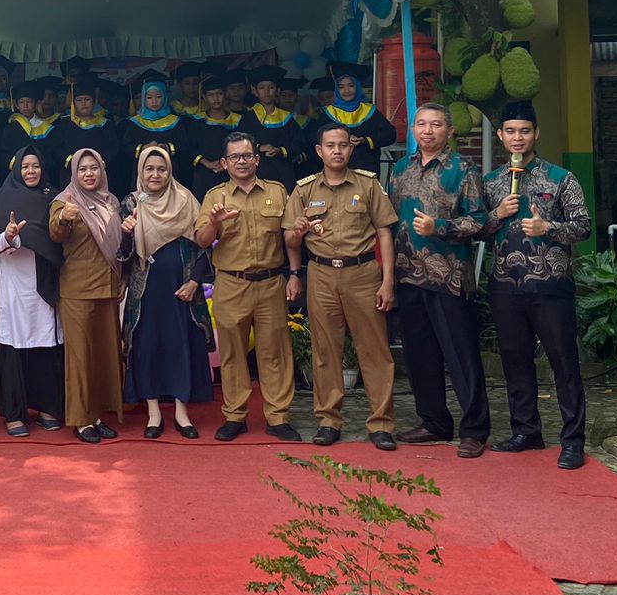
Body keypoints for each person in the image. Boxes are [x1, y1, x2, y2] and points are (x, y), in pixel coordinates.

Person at [484, 101, 593, 470]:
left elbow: (583, 226)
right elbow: (479, 228)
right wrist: (495, 215)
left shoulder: (561, 178)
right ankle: (526, 430)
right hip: (504, 285)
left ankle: (573, 440)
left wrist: (550, 229)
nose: (518, 138)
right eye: (511, 131)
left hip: (551, 286)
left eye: (525, 131)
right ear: (500, 135)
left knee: (564, 363)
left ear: (536, 134)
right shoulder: (492, 182)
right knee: (515, 361)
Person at [286, 121, 399, 449]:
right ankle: (328, 420)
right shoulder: (304, 189)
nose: (337, 151)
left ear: (352, 148)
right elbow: (290, 240)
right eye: (330, 146)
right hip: (320, 274)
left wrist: (387, 281)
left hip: (363, 274)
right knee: (324, 351)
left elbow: (384, 233)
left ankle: (381, 423)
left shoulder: (368, 185)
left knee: (375, 350)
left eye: (343, 145)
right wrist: (298, 230)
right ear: (319, 151)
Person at [388, 103, 492, 458]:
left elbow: (479, 220)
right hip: (408, 274)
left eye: (436, 125)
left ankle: (475, 429)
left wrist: (440, 228)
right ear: (413, 129)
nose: (428, 131)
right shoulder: (402, 169)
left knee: (460, 355)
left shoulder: (463, 169)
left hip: (448, 277)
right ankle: (434, 422)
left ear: (449, 130)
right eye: (421, 124)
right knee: (419, 355)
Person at [193, 131, 300, 443]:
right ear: (225, 163)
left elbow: (290, 237)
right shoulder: (215, 196)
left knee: (275, 352)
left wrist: (294, 274)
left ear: (257, 159)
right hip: (231, 283)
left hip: (270, 283)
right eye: (234, 157)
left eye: (247, 155)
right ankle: (235, 415)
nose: (241, 161)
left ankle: (278, 417)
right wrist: (214, 221)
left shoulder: (278, 192)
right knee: (233, 353)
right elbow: (201, 241)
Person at [121, 145, 214, 438]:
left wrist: (195, 282)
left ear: (170, 171)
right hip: (146, 290)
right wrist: (125, 233)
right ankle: (153, 413)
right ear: (141, 172)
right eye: (149, 169)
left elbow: (204, 246)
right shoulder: (131, 203)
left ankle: (182, 412)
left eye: (161, 169)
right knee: (147, 347)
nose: (155, 174)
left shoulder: (186, 199)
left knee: (179, 345)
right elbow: (123, 256)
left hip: (181, 289)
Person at [0, 145, 66, 436]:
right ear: (17, 169)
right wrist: (9, 236)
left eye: (36, 166)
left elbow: (61, 238)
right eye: (25, 166)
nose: (31, 171)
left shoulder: (54, 197)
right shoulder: (7, 197)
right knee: (15, 346)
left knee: (45, 343)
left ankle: (47, 407)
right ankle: (14, 413)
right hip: (15, 285)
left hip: (45, 283)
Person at [50, 148, 130, 443]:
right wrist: (65, 219)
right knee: (81, 357)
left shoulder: (112, 202)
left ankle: (97, 414)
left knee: (105, 356)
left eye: (93, 168)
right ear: (74, 173)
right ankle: (81, 420)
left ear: (102, 171)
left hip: (108, 286)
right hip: (77, 291)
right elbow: (55, 233)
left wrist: (123, 278)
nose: (88, 174)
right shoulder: (64, 201)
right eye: (82, 169)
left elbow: (119, 246)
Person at [314, 61, 396, 176]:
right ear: (336, 90)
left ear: (357, 87)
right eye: (341, 87)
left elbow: (390, 134)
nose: (346, 91)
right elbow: (315, 138)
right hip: (337, 170)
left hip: (367, 168)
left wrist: (365, 140)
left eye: (351, 86)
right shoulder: (329, 113)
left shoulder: (370, 111)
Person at [241, 65, 307, 191]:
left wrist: (281, 150)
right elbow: (239, 144)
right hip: (257, 171)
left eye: (271, 87)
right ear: (254, 91)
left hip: (283, 172)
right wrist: (259, 147)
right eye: (262, 88)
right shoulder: (248, 118)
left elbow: (299, 143)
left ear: (277, 91)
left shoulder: (286, 118)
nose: (266, 92)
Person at [118, 71, 184, 195]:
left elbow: (185, 146)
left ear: (165, 97)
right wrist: (143, 148)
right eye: (149, 98)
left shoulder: (176, 121)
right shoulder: (134, 122)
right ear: (143, 99)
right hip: (142, 172)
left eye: (158, 97)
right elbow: (125, 148)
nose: (154, 101)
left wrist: (166, 147)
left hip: (170, 172)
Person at [185, 64, 241, 199]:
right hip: (204, 174)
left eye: (219, 94)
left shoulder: (238, 121)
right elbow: (190, 148)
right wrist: (207, 163)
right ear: (204, 97)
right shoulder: (197, 122)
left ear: (225, 94)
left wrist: (226, 163)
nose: (215, 99)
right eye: (211, 95)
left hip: (231, 171)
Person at [61, 75, 121, 178]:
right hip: (72, 172)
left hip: (99, 171)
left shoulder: (105, 124)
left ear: (94, 102)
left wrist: (100, 162)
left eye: (87, 99)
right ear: (73, 104)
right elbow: (58, 149)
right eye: (79, 100)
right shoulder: (65, 124)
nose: (84, 103)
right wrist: (72, 162)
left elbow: (113, 148)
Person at [2, 80, 65, 173]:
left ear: (36, 104)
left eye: (29, 102)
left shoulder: (46, 129)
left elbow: (53, 155)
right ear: (17, 105)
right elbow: (4, 153)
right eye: (22, 102)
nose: (25, 105)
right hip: (16, 174)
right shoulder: (10, 129)